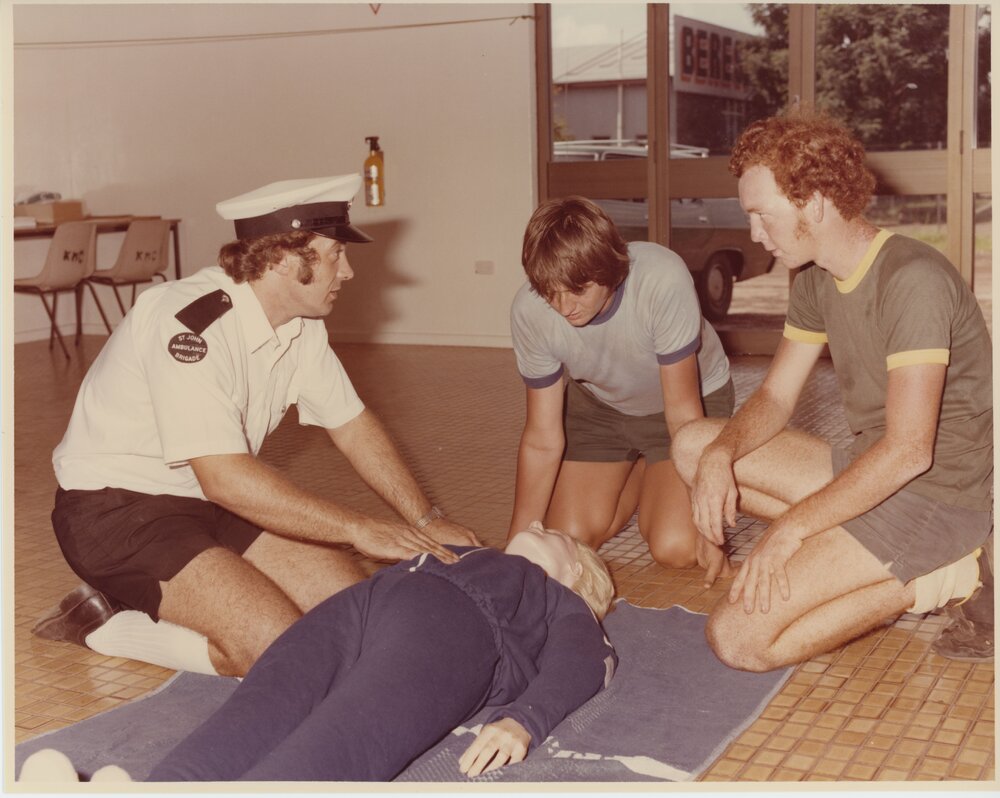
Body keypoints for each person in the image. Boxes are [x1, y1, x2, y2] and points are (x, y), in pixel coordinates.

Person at [34, 174, 479, 678]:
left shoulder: (302, 323)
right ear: (282, 260)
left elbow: (352, 424)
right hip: (119, 512)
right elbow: (223, 476)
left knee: (352, 611)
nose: (348, 271)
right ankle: (103, 623)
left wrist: (424, 520)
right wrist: (358, 527)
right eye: (335, 254)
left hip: (211, 502)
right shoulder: (187, 324)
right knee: (281, 649)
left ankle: (197, 597)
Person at [671, 112, 994, 672]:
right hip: (873, 467)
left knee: (737, 640)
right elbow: (774, 398)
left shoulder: (912, 279)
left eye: (761, 215)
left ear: (814, 203)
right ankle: (854, 545)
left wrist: (790, 533)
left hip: (937, 496)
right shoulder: (816, 278)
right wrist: (721, 456)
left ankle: (950, 575)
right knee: (695, 447)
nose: (754, 234)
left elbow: (910, 451)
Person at [19, 523, 617, 783]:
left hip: (459, 632)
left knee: (345, 734)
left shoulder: (558, 601)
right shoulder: (463, 552)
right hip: (368, 602)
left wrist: (525, 720)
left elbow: (585, 661)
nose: (538, 521)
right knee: (266, 701)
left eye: (557, 536)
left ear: (576, 576)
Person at [508, 196, 735, 586]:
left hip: (686, 405)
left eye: (577, 289)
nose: (564, 307)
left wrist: (708, 523)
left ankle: (655, 468)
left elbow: (681, 411)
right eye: (550, 291)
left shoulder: (661, 277)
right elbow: (542, 439)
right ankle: (641, 470)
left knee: (677, 548)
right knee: (567, 540)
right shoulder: (530, 311)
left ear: (609, 271)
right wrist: (516, 546)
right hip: (602, 410)